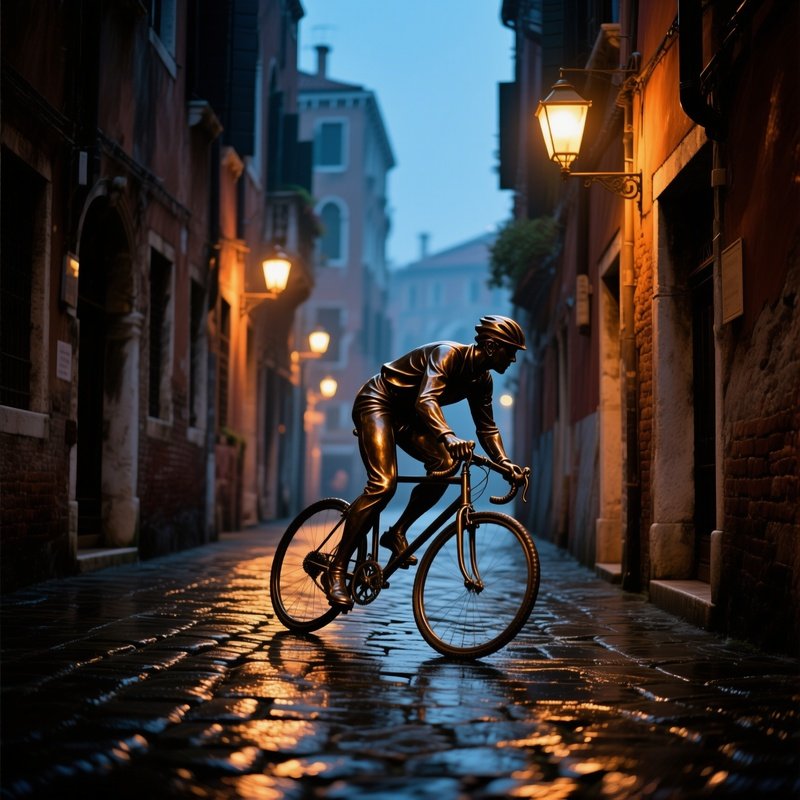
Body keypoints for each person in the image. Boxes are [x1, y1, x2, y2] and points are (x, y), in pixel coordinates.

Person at [325, 314, 527, 609]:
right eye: (510, 351)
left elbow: (487, 428)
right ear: (493, 346)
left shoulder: (481, 381)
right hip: (379, 402)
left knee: (445, 464)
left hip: (408, 418)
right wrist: (448, 435)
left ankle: (396, 532)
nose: (513, 359)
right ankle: (336, 570)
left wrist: (505, 462)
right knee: (383, 485)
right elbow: (426, 399)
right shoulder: (447, 354)